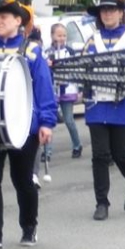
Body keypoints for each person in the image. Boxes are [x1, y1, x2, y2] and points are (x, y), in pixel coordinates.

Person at [0, 0, 57, 249]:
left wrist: (47, 122)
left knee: (22, 181)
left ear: (18, 21)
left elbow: (43, 88)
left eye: (4, 17)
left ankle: (29, 227)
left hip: (23, 128)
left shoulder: (32, 51)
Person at [80, 0, 125, 221]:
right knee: (99, 154)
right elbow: (82, 64)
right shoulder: (92, 39)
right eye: (103, 10)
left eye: (112, 9)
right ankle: (102, 202)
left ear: (120, 12)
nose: (107, 13)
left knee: (120, 154)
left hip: (123, 102)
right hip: (97, 102)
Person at [42, 21, 84, 172]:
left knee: (69, 120)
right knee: (49, 122)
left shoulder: (70, 51)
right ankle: (47, 151)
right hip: (52, 90)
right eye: (59, 35)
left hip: (66, 89)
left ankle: (77, 145)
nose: (62, 38)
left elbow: (75, 69)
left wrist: (78, 86)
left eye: (64, 35)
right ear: (52, 36)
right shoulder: (47, 52)